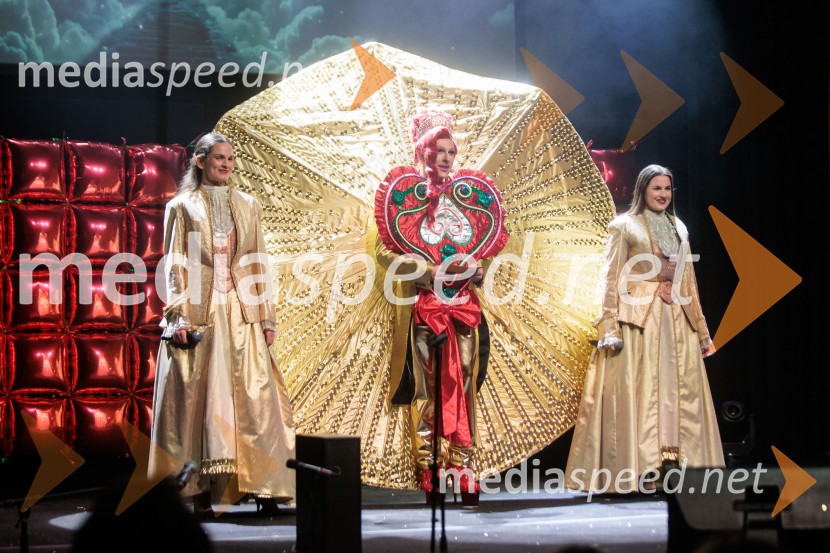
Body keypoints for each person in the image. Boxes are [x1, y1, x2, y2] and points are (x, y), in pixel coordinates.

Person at [149, 132, 295, 518]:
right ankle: (190, 491)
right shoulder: (181, 207)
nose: (226, 165)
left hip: (241, 310)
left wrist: (266, 316)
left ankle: (264, 485)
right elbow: (175, 262)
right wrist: (178, 313)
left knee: (254, 395)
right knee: (195, 399)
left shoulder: (248, 205)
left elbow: (256, 261)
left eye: (230, 159)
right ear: (200, 161)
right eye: (219, 158)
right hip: (199, 311)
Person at [374, 109, 508, 508]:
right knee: (426, 386)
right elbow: (384, 253)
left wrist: (479, 268)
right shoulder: (402, 198)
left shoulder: (469, 199)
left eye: (451, 151)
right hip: (422, 305)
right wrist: (429, 271)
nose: (447, 158)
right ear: (424, 152)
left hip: (464, 305)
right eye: (439, 150)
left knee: (463, 382)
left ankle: (464, 466)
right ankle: (429, 466)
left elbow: (485, 245)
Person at [565, 164, 724, 494]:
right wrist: (609, 325)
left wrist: (701, 330)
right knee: (643, 393)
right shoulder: (623, 226)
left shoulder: (679, 227)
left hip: (675, 320)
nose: (663, 194)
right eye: (657, 188)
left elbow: (688, 283)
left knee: (675, 393)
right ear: (642, 191)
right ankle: (643, 468)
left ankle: (678, 466)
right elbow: (610, 279)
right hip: (638, 320)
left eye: (668, 188)